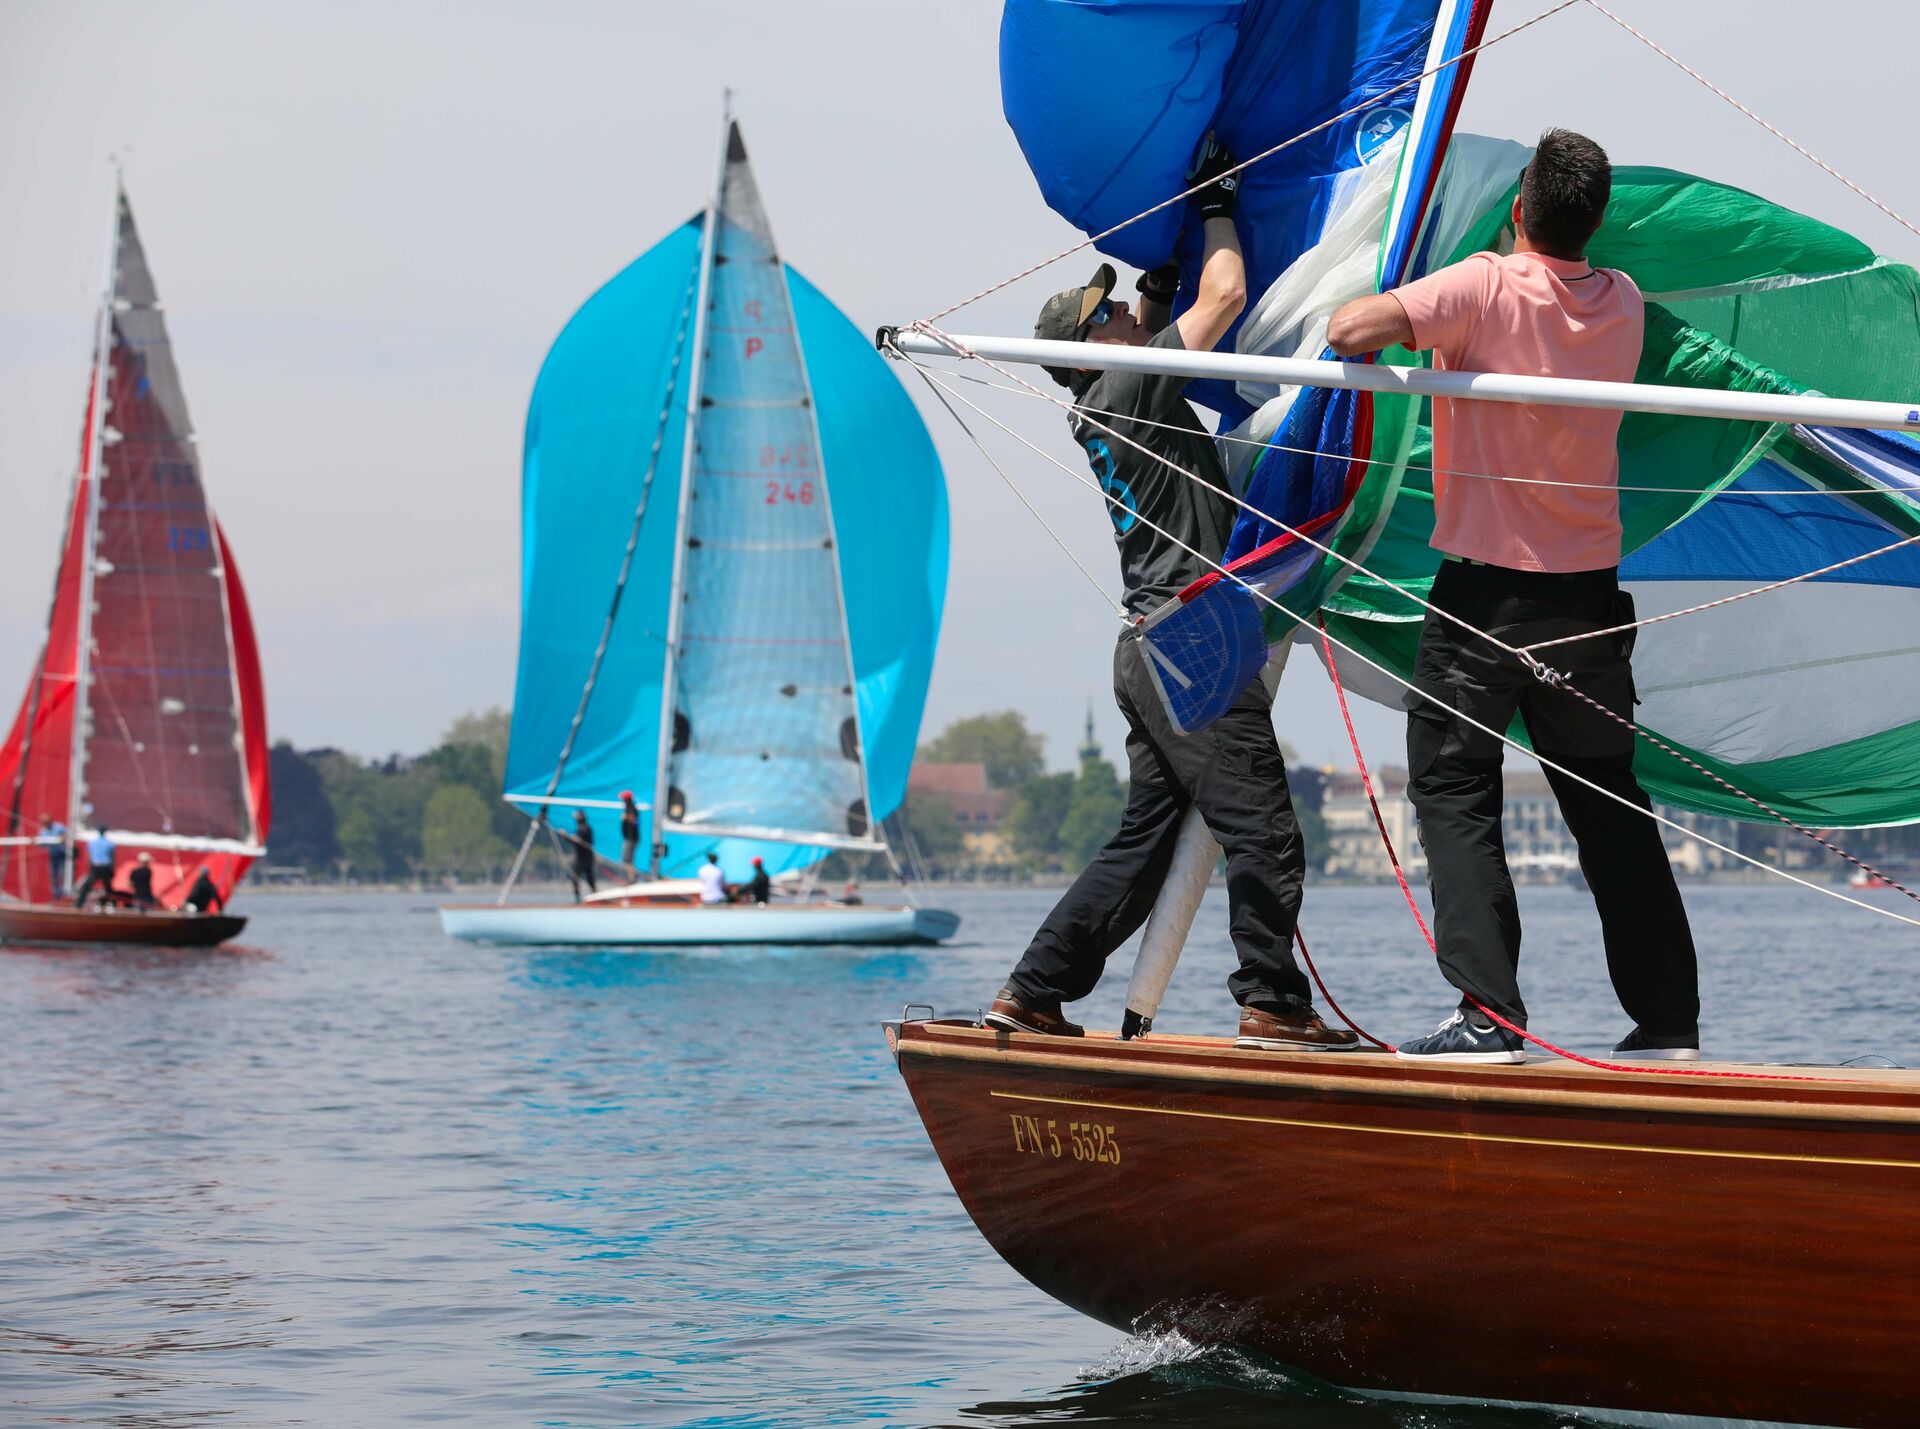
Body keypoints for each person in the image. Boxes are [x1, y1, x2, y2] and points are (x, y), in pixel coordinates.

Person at [1326, 128, 1700, 1063]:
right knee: (1608, 804)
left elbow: (1348, 330)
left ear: (1519, 209)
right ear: (1595, 224)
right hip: (1588, 603)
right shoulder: (1622, 301)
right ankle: (1668, 1023)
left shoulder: (1484, 284)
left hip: (1485, 601)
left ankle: (1489, 1017)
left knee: (1453, 790)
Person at [985, 136, 1356, 1053]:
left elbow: (1149, 322)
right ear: (1090, 347)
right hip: (1191, 643)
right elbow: (1222, 297)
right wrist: (1218, 203)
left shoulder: (1104, 398)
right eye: (1107, 313)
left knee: (1144, 844)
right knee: (1263, 830)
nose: (1126, 314)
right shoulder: (1128, 382)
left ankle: (1033, 992)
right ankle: (1272, 1004)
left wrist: (1156, 274)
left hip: (1149, 647)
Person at [73, 826, 117, 908]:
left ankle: (79, 904)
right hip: (106, 867)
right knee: (108, 887)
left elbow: (89, 856)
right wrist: (112, 869)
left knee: (86, 886)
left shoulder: (93, 842)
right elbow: (112, 857)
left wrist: (89, 867)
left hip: (95, 866)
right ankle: (113, 904)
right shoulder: (110, 843)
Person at [37, 815, 66, 897]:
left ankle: (65, 894)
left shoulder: (59, 827)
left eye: (46, 822)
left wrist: (63, 837)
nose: (45, 824)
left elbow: (67, 835)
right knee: (53, 875)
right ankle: (56, 895)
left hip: (62, 854)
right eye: (43, 823)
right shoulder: (43, 831)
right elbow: (41, 844)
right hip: (53, 855)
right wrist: (36, 841)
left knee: (64, 874)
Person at [570, 810, 597, 898]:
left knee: (590, 879)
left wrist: (578, 840)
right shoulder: (578, 830)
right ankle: (577, 897)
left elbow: (589, 843)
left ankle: (595, 895)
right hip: (579, 858)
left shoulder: (587, 829)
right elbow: (574, 843)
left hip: (587, 859)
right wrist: (566, 837)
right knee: (575, 877)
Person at [619, 790, 641, 871]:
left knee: (627, 860)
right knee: (627, 860)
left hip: (631, 838)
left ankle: (630, 876)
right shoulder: (628, 807)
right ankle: (629, 876)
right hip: (629, 837)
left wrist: (625, 817)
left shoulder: (631, 807)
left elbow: (633, 819)